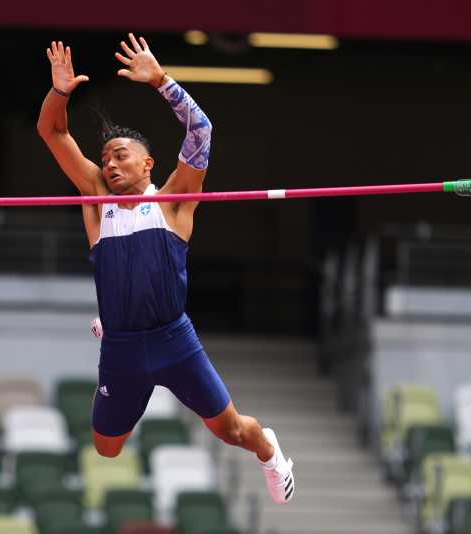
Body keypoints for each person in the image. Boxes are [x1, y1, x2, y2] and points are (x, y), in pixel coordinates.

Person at [37, 33, 294, 504]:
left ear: (148, 164)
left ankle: (271, 453)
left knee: (233, 431)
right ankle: (108, 326)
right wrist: (59, 93)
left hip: (174, 340)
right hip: (122, 348)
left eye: (121, 156)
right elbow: (54, 133)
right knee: (106, 448)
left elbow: (202, 133)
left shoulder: (174, 200)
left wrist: (162, 82)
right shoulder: (97, 198)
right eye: (106, 158)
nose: (110, 165)